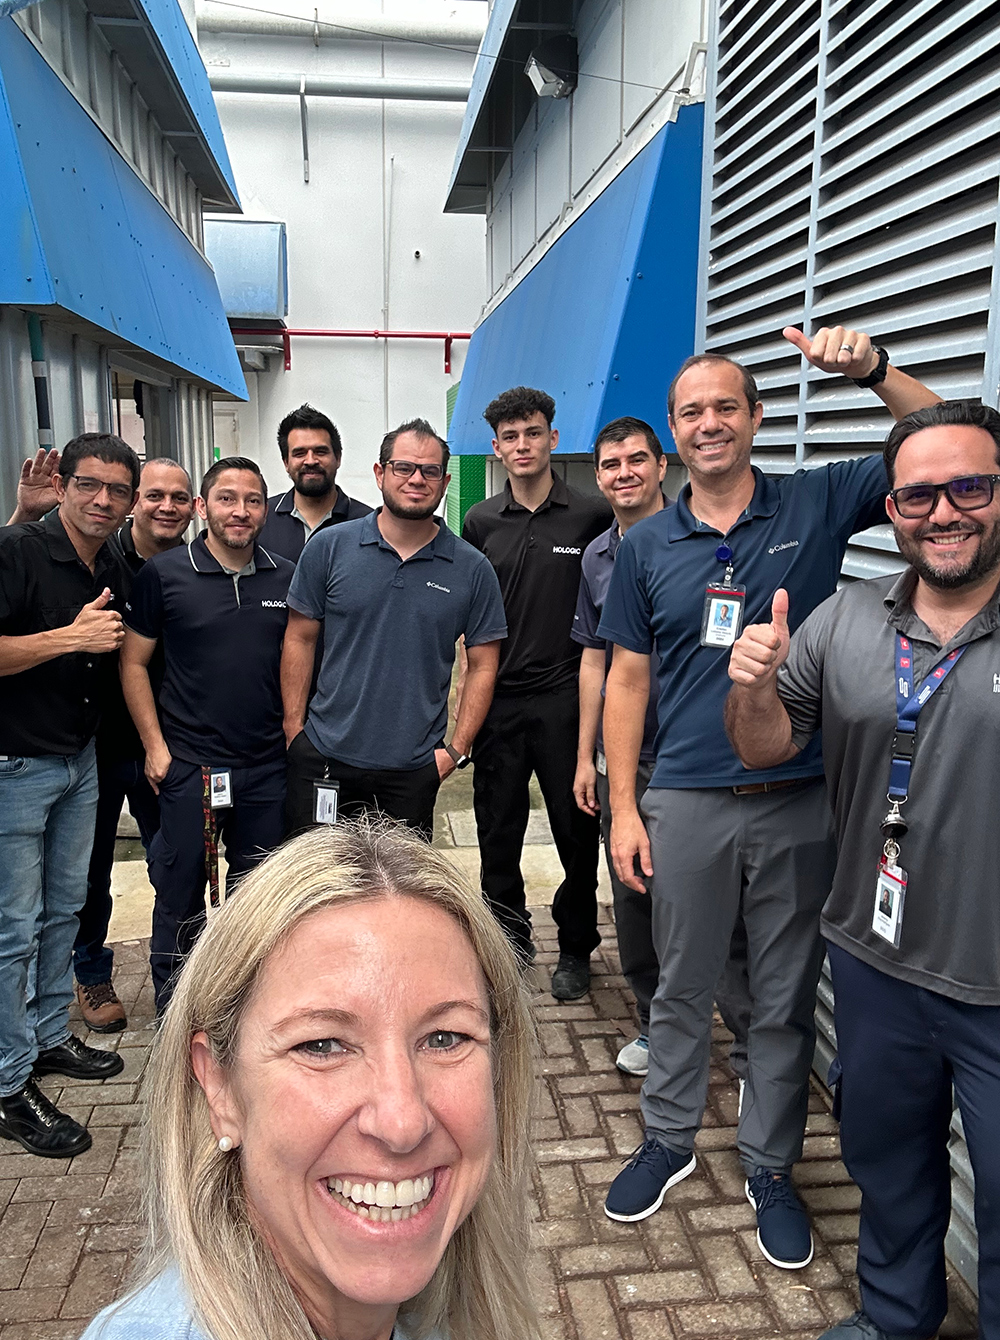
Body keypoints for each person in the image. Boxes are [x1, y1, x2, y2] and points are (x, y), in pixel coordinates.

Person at [597, 326, 941, 1269]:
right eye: (690, 412)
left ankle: (771, 1166)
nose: (709, 424)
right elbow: (628, 680)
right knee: (682, 983)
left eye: (724, 407)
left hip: (797, 794)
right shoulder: (645, 544)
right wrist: (624, 805)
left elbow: (941, 438)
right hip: (687, 797)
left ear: (755, 418)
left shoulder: (817, 501)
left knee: (783, 998)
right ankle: (667, 1139)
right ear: (674, 435)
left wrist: (871, 371)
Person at [726, 399, 1000, 1340]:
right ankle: (895, 1319)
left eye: (971, 486)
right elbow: (764, 746)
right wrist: (753, 689)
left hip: (995, 980)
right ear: (891, 509)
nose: (946, 511)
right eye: (919, 494)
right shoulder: (845, 617)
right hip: (874, 960)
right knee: (887, 1163)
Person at [80, 819, 540, 1340]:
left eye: (444, 1038)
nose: (402, 1122)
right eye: (321, 1045)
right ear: (219, 1087)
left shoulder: (445, 1316)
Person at [0, 433, 136, 1158]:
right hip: (14, 766)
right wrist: (67, 637)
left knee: (64, 911)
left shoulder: (109, 557)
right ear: (65, 484)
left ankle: (50, 1037)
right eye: (90, 485)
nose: (103, 501)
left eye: (118, 490)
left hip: (77, 760)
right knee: (10, 930)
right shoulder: (18, 551)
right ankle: (6, 1083)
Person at [120, 457, 293, 1013]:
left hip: (267, 766)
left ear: (265, 509)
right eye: (226, 499)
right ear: (203, 507)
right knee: (180, 888)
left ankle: (246, 1002)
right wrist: (155, 748)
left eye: (252, 501)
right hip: (192, 766)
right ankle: (176, 1003)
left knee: (258, 892)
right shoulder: (166, 576)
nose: (240, 512)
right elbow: (133, 665)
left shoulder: (286, 576)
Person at [282, 419, 506, 841]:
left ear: (445, 482)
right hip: (325, 757)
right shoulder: (329, 549)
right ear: (380, 473)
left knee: (399, 899)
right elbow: (300, 637)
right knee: (320, 891)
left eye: (430, 470)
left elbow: (482, 666)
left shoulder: (472, 569)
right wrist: (295, 732)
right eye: (404, 467)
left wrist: (455, 751)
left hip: (412, 772)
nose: (417, 479)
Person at [462, 387, 612, 998]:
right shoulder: (479, 521)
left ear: (553, 438)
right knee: (497, 828)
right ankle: (507, 937)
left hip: (566, 697)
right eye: (511, 437)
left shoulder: (591, 514)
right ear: (496, 449)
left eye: (533, 433)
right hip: (498, 699)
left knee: (575, 830)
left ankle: (576, 946)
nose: (523, 445)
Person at [72, 459, 195, 1032]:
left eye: (179, 497)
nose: (166, 506)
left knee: (171, 861)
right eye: (154, 496)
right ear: (134, 503)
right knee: (90, 869)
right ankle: (92, 972)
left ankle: (186, 969)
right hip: (94, 742)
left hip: (165, 745)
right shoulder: (101, 560)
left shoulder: (197, 567)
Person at [571, 417, 667, 1073]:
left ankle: (748, 1042)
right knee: (633, 894)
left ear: (663, 467)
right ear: (599, 476)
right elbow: (594, 663)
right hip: (625, 759)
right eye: (612, 463)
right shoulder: (597, 557)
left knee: (723, 904)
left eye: (638, 459)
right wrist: (586, 756)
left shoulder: (701, 539)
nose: (625, 472)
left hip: (699, 756)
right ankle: (654, 1023)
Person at [260, 403, 372, 562]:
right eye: (300, 453)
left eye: (320, 452)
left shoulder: (367, 522)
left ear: (338, 458)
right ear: (286, 462)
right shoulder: (262, 518)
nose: (311, 461)